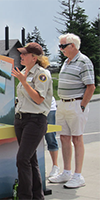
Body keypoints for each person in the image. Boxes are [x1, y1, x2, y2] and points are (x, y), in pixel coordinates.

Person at [48, 33, 95, 189]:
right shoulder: (67, 62)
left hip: (75, 104)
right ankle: (67, 171)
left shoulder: (83, 61)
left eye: (63, 46)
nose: (60, 49)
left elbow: (91, 86)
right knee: (64, 138)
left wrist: (82, 106)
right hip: (64, 104)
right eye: (60, 46)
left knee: (77, 139)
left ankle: (78, 175)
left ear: (72, 46)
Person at [12, 42, 52, 200]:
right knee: (30, 159)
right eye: (21, 54)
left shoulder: (41, 74)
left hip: (35, 120)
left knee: (22, 159)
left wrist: (23, 82)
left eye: (24, 54)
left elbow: (38, 99)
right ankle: (37, 196)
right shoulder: (24, 71)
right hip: (21, 119)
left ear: (34, 58)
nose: (21, 56)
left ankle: (25, 196)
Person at [46, 96, 60, 177]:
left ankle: (55, 166)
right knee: (34, 139)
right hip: (33, 109)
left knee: (50, 137)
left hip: (48, 108)